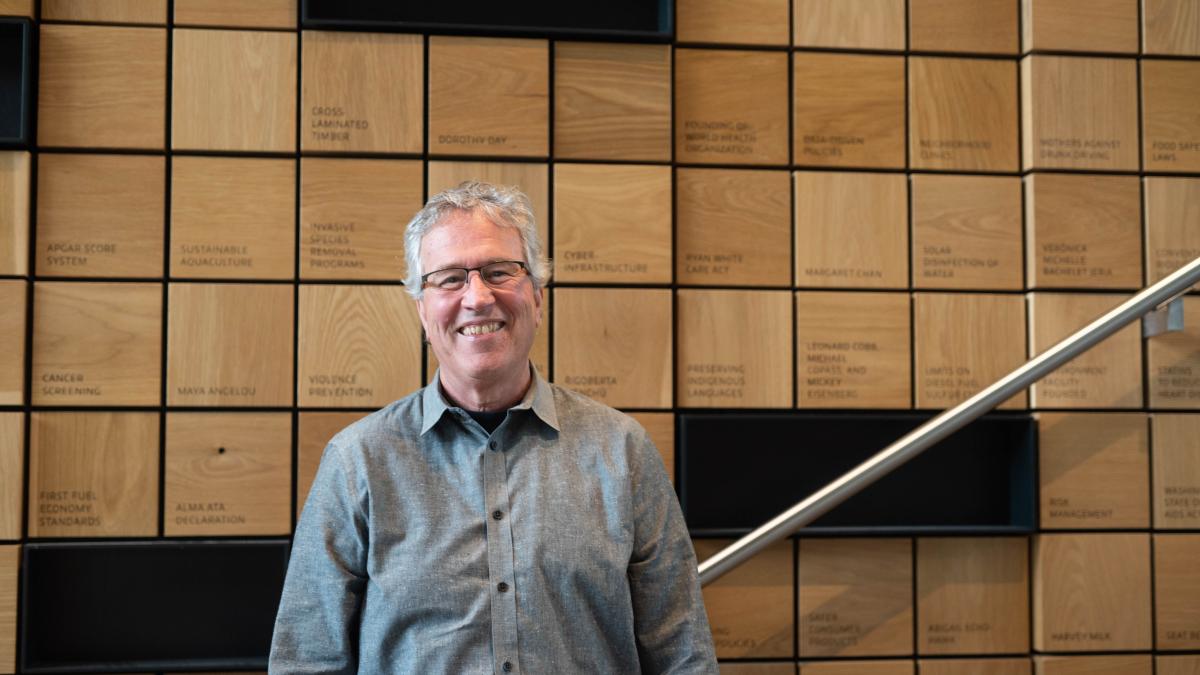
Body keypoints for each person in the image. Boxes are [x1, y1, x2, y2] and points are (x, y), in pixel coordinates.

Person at [269, 181, 717, 674]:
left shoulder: (622, 450)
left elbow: (681, 652)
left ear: (538, 297)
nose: (478, 297)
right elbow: (307, 658)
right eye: (449, 279)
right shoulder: (358, 460)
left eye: (500, 271)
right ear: (422, 310)